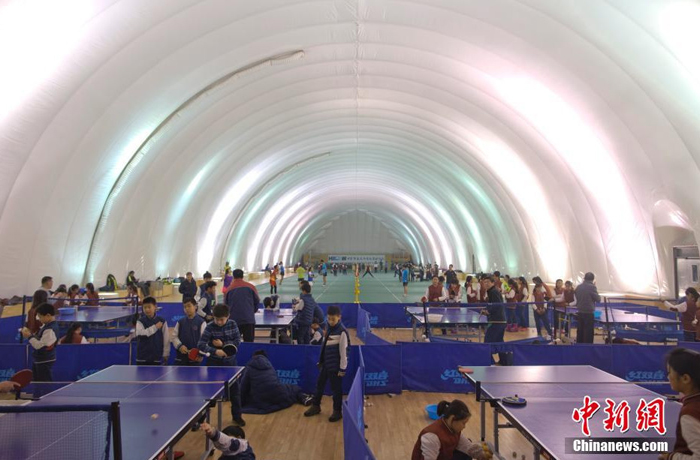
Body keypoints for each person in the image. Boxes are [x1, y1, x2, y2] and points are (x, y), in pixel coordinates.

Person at [198, 303, 244, 426]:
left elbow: (237, 341)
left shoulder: (232, 324)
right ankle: (201, 419)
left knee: (235, 392)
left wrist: (222, 345)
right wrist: (215, 351)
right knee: (209, 393)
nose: (218, 322)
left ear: (228, 316)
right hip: (213, 363)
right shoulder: (210, 326)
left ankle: (237, 416)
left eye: (221, 319)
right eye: (216, 319)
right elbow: (201, 344)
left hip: (230, 363)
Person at [304, 305, 349, 422]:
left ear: (339, 317)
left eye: (333, 319)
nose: (330, 321)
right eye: (329, 318)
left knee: (336, 390)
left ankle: (337, 411)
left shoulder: (342, 332)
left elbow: (344, 352)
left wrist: (342, 368)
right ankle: (316, 406)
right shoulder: (328, 327)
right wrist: (321, 360)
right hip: (325, 364)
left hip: (335, 367)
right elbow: (324, 345)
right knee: (319, 385)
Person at [412, 399, 492, 460]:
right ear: (452, 418)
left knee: (466, 453)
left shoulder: (453, 429)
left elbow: (468, 447)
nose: (464, 426)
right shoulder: (431, 436)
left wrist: (484, 454)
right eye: (463, 423)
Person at [659, 348, 700, 460]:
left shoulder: (690, 413)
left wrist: (670, 457)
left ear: (685, 378)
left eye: (669, 372)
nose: (668, 377)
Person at [240, 350, 312, 414]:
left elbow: (243, 387)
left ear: (253, 357)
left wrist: (239, 403)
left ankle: (303, 397)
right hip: (278, 392)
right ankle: (303, 397)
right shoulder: (269, 365)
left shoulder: (249, 367)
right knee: (293, 388)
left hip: (262, 398)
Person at [21, 303, 58, 382]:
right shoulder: (46, 326)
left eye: (40, 317)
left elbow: (39, 346)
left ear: (48, 315)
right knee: (37, 381)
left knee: (44, 383)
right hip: (40, 360)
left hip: (44, 361)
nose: (39, 319)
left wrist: (29, 337)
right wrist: (32, 335)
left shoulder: (50, 330)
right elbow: (41, 339)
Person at [224, 269, 260, 343]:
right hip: (249, 319)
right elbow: (257, 301)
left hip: (234, 320)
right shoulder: (251, 287)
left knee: (234, 343)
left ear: (233, 276)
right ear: (243, 276)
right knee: (249, 344)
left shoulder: (228, 289)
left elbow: (225, 306)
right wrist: (251, 312)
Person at [172, 298, 207, 365]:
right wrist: (180, 346)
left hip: (195, 359)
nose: (187, 309)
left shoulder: (202, 322)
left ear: (195, 306)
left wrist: (200, 354)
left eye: (189, 306)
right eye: (185, 307)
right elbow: (174, 337)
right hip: (181, 359)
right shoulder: (180, 322)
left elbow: (204, 341)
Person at [135, 297, 169, 365]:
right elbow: (140, 334)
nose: (147, 309)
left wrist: (166, 353)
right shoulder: (140, 321)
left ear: (155, 307)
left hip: (156, 357)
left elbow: (166, 338)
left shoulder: (162, 321)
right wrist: (155, 327)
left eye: (149, 307)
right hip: (142, 357)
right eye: (145, 307)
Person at [574, 272, 600, 344]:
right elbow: (598, 299)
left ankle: (579, 345)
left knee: (580, 330)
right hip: (588, 312)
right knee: (588, 332)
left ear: (584, 278)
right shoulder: (592, 287)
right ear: (593, 279)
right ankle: (588, 347)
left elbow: (576, 296)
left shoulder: (579, 287)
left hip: (580, 311)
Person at [481, 275, 506, 344]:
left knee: (488, 341)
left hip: (497, 322)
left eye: (488, 282)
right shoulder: (491, 291)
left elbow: (497, 305)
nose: (486, 284)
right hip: (499, 321)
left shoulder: (493, 292)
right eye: (485, 282)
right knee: (499, 342)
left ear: (492, 283)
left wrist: (488, 311)